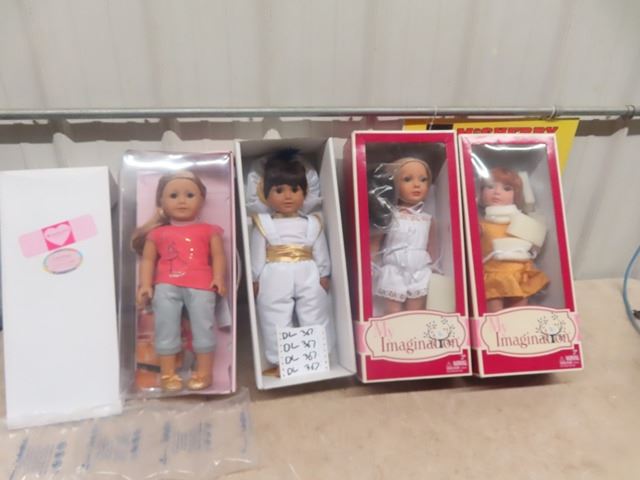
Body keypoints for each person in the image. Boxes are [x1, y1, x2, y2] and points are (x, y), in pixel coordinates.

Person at [132, 170, 227, 392]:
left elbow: (218, 256)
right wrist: (145, 284)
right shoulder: (157, 234)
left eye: (190, 195)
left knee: (203, 327)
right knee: (166, 327)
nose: (182, 201)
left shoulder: (209, 230)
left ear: (201, 200)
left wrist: (219, 278)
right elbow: (148, 260)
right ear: (161, 201)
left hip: (202, 285)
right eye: (173, 195)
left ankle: (204, 372)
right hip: (166, 286)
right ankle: (168, 374)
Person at [250, 149, 332, 375]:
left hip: (308, 270)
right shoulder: (263, 223)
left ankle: (316, 354)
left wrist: (324, 273)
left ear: (305, 193)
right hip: (274, 272)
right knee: (273, 312)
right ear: (265, 194)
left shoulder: (313, 222)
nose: (288, 196)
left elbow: (320, 250)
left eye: (295, 190)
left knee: (315, 310)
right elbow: (257, 254)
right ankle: (282, 360)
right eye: (279, 190)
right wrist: (255, 278)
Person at [371, 157, 437, 314]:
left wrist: (435, 270)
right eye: (407, 179)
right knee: (393, 312)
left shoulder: (427, 219)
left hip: (420, 271)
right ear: (393, 184)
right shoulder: (390, 216)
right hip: (394, 270)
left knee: (416, 311)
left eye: (423, 179)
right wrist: (370, 264)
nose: (417, 185)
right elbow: (375, 243)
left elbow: (432, 248)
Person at [478, 167, 549, 313]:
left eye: (506, 188)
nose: (497, 192)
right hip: (493, 274)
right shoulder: (481, 225)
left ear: (516, 195)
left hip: (519, 273)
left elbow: (535, 246)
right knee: (494, 313)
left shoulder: (522, 221)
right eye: (490, 187)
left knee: (519, 313)